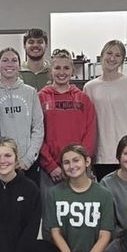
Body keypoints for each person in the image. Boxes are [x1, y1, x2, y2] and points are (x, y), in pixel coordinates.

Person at [30, 144, 113, 252]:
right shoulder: (54, 193)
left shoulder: (103, 194)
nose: (72, 166)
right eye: (66, 162)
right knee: (38, 248)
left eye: (76, 160)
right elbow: (55, 233)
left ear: (87, 161)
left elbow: (105, 237)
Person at [84, 40, 127, 180]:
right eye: (109, 53)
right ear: (101, 56)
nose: (112, 58)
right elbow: (87, 124)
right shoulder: (90, 87)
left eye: (118, 55)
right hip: (101, 155)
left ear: (122, 60)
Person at [38, 48, 97, 193]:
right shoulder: (41, 97)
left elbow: (91, 132)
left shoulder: (83, 99)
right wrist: (51, 165)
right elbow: (37, 134)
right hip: (51, 172)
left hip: (79, 169)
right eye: (57, 68)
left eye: (66, 68)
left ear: (72, 70)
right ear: (50, 70)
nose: (61, 72)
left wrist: (79, 162)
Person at [0, 47, 44, 184]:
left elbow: (38, 128)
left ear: (19, 65)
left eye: (14, 60)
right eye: (5, 60)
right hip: (0, 165)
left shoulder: (30, 92)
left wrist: (28, 159)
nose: (10, 64)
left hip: (27, 165)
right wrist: (0, 160)